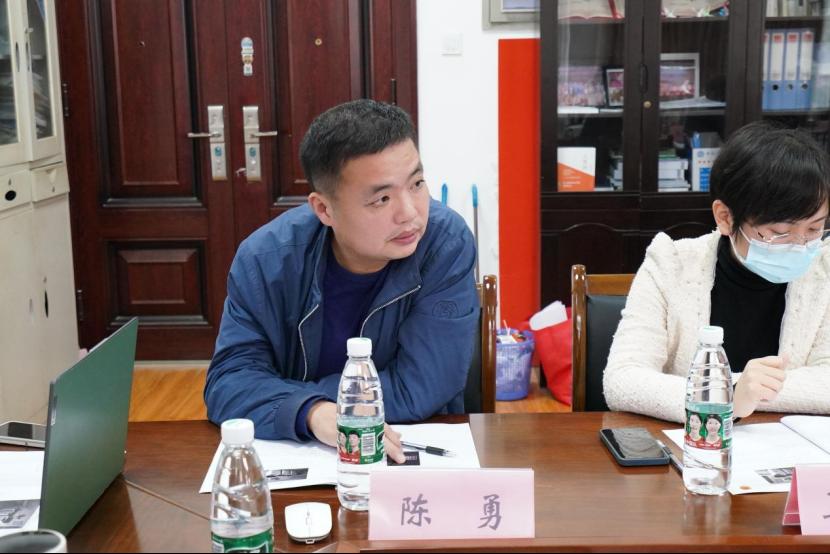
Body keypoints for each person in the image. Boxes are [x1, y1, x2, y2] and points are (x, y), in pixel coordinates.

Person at [204, 100, 479, 463]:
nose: (410, 212)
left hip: (412, 449)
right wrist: (313, 413)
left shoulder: (444, 244)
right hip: (306, 459)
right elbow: (228, 383)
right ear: (324, 209)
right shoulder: (264, 260)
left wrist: (291, 398)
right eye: (382, 198)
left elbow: (422, 387)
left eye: (416, 184)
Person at [604, 121, 830, 422]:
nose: (801, 245)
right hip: (688, 443)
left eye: (814, 229)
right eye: (780, 232)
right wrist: (729, 396)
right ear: (725, 217)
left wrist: (743, 392)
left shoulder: (824, 269)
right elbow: (623, 379)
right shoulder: (670, 263)